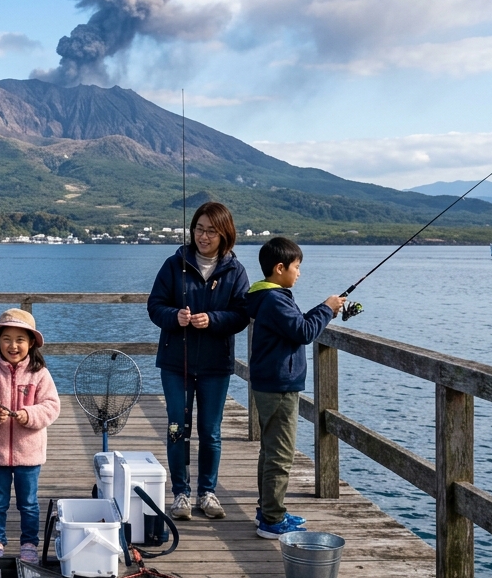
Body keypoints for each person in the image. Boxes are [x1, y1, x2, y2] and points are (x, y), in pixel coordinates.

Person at [146, 202, 251, 521]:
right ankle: (180, 493)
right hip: (176, 363)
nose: (204, 236)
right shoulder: (173, 264)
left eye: (211, 231)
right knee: (177, 427)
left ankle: (208, 492)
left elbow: (242, 314)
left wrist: (214, 320)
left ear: (225, 234)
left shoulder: (236, 271)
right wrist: (174, 316)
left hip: (216, 365)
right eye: (199, 229)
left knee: (211, 431)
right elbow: (154, 306)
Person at [245, 237, 345, 539]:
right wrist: (327, 308)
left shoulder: (266, 297)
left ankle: (268, 510)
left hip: (270, 383)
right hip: (279, 386)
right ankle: (272, 521)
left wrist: (323, 309)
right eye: (296, 267)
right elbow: (303, 332)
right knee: (280, 453)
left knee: (270, 449)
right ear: (280, 268)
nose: (299, 273)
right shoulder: (276, 300)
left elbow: (296, 323)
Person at [0, 309, 61, 564]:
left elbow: (52, 406)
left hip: (29, 455)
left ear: (31, 343)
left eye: (20, 339)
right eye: (6, 338)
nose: (13, 345)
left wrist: (28, 415)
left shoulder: (40, 373)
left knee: (29, 503)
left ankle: (29, 543)